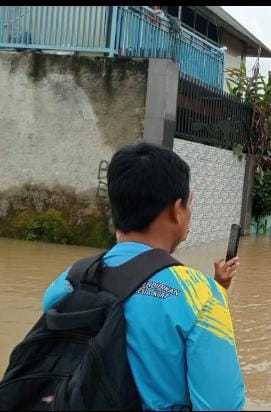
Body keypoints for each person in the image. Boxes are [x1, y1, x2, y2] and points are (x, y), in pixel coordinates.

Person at [41, 142, 246, 410]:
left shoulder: (67, 281)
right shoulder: (202, 296)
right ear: (176, 210)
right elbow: (222, 406)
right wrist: (218, 290)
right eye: (189, 204)